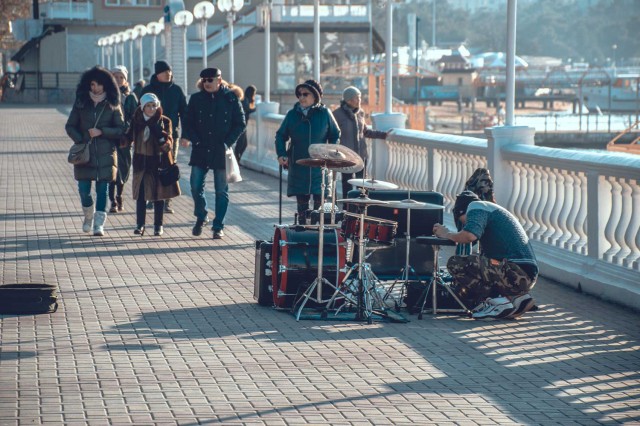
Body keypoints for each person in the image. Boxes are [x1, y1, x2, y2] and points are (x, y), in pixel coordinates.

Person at [432, 190, 538, 320]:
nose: (463, 225)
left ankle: (497, 301)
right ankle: (515, 297)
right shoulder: (493, 211)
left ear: (461, 212)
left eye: (462, 222)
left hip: (515, 271)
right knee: (479, 263)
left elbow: (470, 235)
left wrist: (446, 234)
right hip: (523, 274)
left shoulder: (476, 206)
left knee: (456, 263)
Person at [181, 68, 246, 239]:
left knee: (221, 190)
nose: (207, 83)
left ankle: (218, 226)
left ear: (219, 80)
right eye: (204, 80)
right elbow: (187, 122)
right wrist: (193, 139)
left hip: (220, 150)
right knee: (195, 186)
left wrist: (227, 142)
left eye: (210, 80)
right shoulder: (196, 99)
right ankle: (202, 215)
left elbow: (240, 123)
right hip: (201, 148)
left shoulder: (230, 98)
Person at [65, 66, 125, 236]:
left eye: (98, 84)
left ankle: (99, 224)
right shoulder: (81, 103)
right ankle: (88, 215)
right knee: (84, 190)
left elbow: (121, 129)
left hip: (106, 155)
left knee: (102, 191)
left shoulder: (113, 105)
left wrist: (102, 131)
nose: (95, 88)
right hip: (85, 155)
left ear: (106, 85)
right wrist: (81, 138)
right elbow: (70, 126)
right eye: (92, 84)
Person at [275, 79, 341, 225]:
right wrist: (281, 154)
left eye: (305, 94)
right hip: (299, 166)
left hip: (320, 167)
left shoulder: (325, 113)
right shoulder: (292, 114)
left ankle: (317, 238)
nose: (301, 97)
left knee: (320, 209)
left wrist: (331, 152)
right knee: (302, 208)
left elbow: (335, 134)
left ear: (315, 96)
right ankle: (302, 233)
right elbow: (280, 136)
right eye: (299, 94)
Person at [124, 93, 180, 236]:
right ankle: (140, 225)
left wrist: (160, 135)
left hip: (158, 162)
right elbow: (127, 139)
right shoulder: (136, 122)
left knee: (158, 196)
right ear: (142, 107)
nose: (151, 109)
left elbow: (168, 145)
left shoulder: (164, 121)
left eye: (154, 105)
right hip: (141, 163)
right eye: (148, 106)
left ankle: (158, 225)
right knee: (141, 195)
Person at [140, 61, 187, 214]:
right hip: (150, 135)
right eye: (165, 72)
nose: (168, 74)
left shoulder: (177, 91)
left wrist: (185, 134)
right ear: (157, 74)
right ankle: (152, 198)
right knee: (151, 165)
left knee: (169, 165)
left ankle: (167, 200)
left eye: (169, 72)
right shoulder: (147, 91)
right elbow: (138, 113)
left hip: (171, 136)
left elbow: (185, 113)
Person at [332, 86, 387, 199]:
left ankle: (360, 211)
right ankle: (347, 210)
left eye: (360, 97)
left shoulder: (360, 113)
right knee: (346, 183)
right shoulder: (337, 114)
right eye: (357, 98)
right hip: (346, 156)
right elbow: (332, 133)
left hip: (361, 156)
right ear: (348, 100)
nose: (359, 100)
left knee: (362, 185)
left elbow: (365, 131)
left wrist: (383, 135)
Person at [109, 65, 138, 213]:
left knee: (123, 168)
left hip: (124, 139)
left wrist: (128, 133)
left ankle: (119, 195)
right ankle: (112, 200)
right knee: (109, 169)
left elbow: (135, 117)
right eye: (116, 76)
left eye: (121, 77)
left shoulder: (130, 96)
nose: (119, 80)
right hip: (109, 137)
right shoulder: (106, 95)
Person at [234, 85, 257, 164]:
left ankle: (237, 160)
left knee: (243, 144)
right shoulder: (245, 100)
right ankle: (236, 161)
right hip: (242, 125)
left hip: (243, 125)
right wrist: (256, 108)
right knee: (241, 144)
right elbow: (247, 110)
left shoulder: (245, 99)